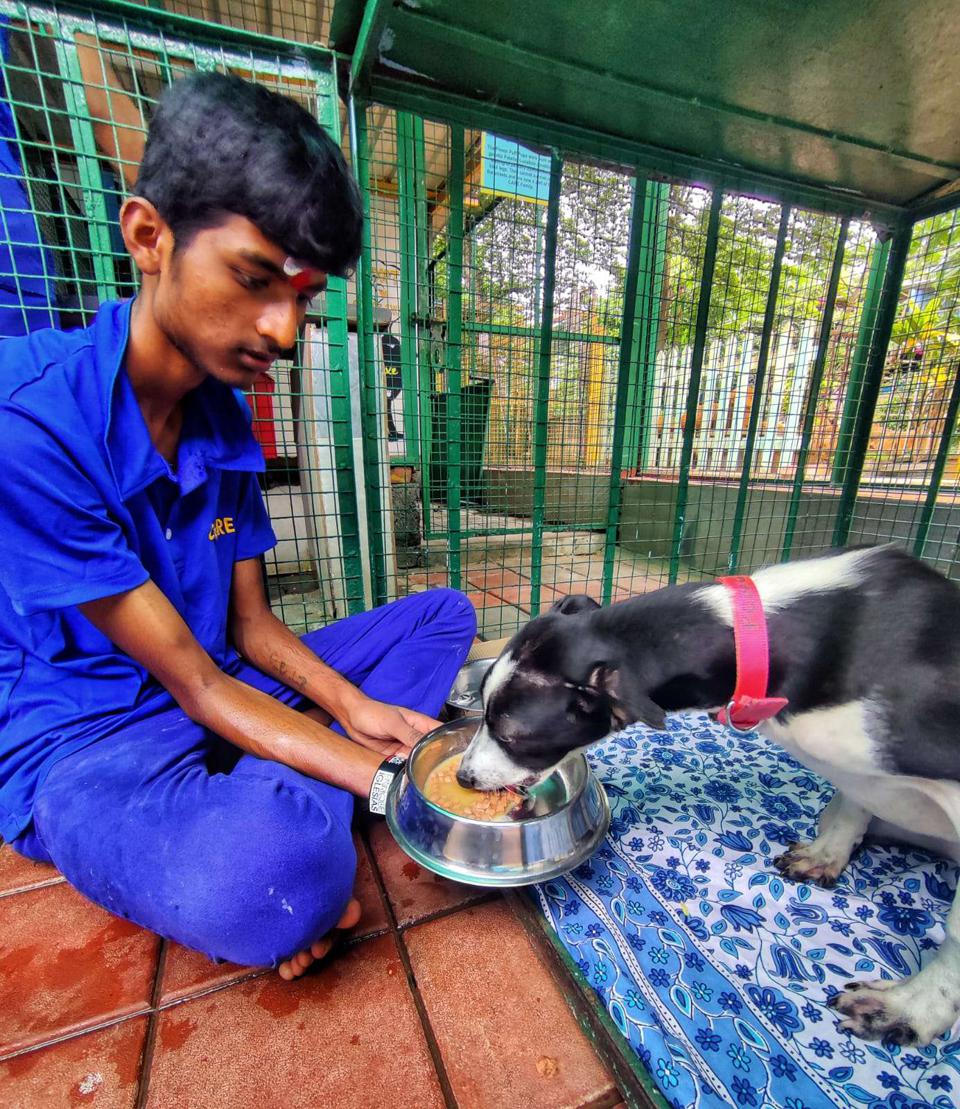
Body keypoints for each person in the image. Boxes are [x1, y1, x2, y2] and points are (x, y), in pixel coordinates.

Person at [0, 71, 476, 979]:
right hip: (90, 736)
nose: (285, 330)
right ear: (149, 236)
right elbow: (199, 686)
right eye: (256, 280)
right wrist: (388, 779)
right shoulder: (27, 424)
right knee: (272, 882)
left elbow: (250, 632)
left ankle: (295, 801)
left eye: (302, 296)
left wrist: (354, 705)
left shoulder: (222, 412)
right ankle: (308, 822)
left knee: (441, 615)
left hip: (218, 683)